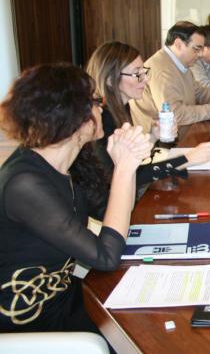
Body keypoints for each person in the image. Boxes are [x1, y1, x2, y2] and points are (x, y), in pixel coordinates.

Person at [0, 64, 151, 334]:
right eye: (95, 101)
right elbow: (106, 256)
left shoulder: (72, 160)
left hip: (69, 299)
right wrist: (124, 168)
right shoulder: (24, 184)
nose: (101, 107)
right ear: (70, 116)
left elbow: (111, 212)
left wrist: (126, 166)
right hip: (32, 321)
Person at [85, 41, 210, 191]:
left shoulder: (122, 107)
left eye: (143, 72)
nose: (145, 79)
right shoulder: (102, 118)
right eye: (137, 73)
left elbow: (131, 161)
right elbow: (125, 177)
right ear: (110, 79)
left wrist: (153, 137)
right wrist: (187, 160)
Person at [130, 22, 210, 131]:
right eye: (196, 49)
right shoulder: (162, 70)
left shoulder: (180, 64)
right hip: (158, 144)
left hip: (181, 131)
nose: (200, 54)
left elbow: (200, 93)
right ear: (178, 44)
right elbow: (175, 115)